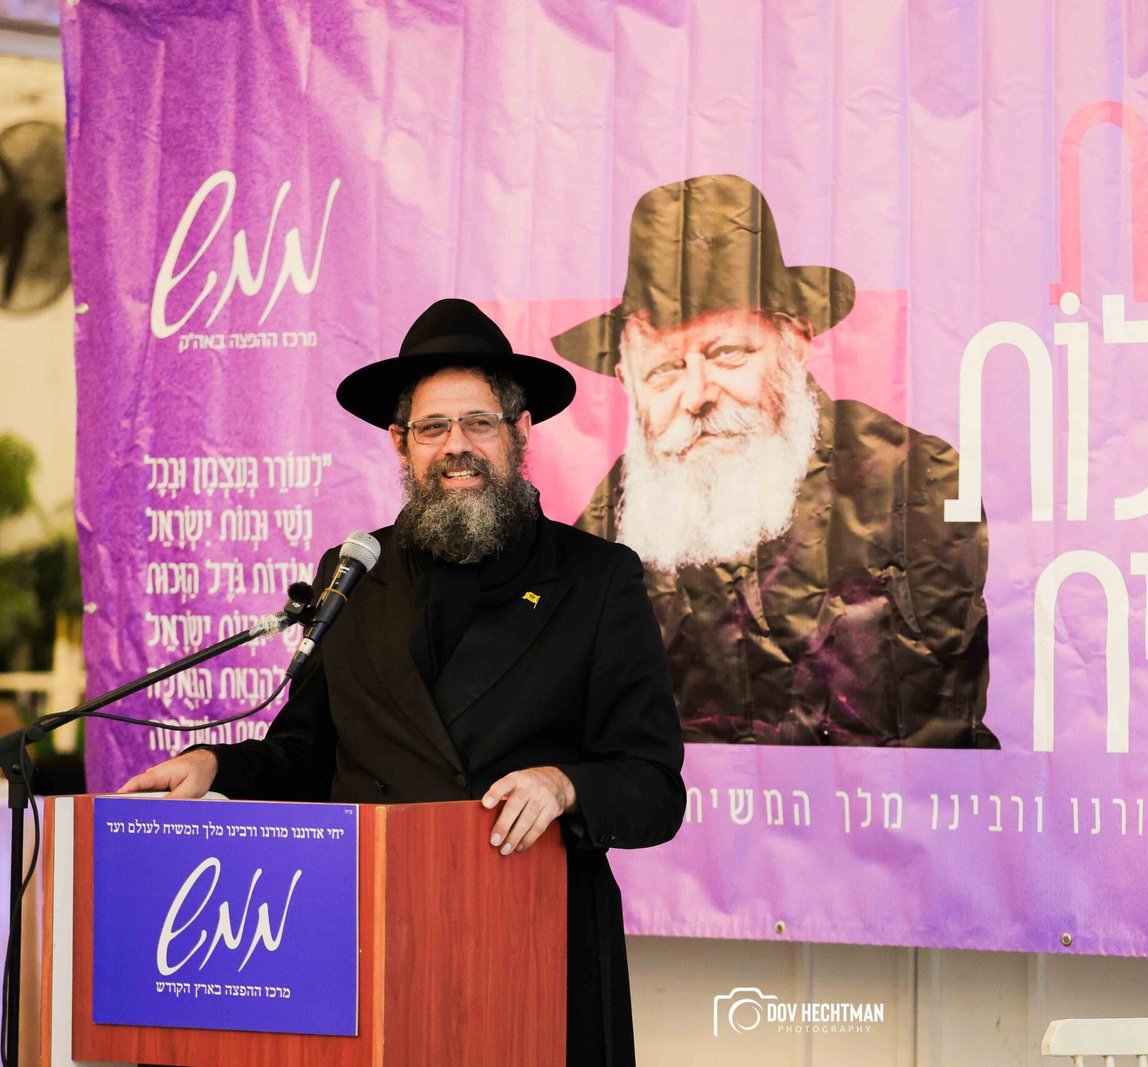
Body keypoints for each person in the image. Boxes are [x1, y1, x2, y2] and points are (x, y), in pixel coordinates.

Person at [120, 298, 686, 1067]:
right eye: (432, 428)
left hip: (530, 947)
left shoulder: (596, 579)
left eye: (479, 423)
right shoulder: (355, 572)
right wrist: (216, 766)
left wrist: (564, 785)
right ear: (400, 443)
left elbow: (653, 785)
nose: (457, 446)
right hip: (370, 941)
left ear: (520, 432)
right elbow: (307, 753)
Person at [551, 174, 997, 748]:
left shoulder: (915, 480)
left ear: (796, 342)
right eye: (663, 370)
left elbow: (906, 715)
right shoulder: (605, 524)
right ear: (627, 382)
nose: (696, 396)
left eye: (727, 353)